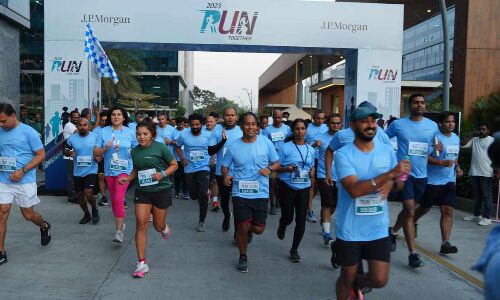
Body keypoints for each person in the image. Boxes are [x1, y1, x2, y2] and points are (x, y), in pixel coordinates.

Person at [333, 106, 408, 299]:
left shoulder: (387, 151)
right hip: (350, 230)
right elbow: (355, 190)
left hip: (378, 228)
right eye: (364, 121)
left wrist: (392, 183)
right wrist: (389, 175)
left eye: (373, 121)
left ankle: (357, 284)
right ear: (352, 125)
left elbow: (401, 181)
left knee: (379, 280)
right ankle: (348, 287)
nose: (370, 125)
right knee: (346, 276)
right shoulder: (343, 155)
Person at [386, 93, 440, 268]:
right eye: (416, 102)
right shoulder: (398, 124)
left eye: (422, 102)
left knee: (409, 211)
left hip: (422, 175)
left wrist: (438, 148)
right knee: (409, 210)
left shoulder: (433, 126)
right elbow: (383, 140)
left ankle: (393, 232)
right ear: (409, 105)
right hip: (404, 174)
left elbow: (435, 149)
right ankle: (413, 254)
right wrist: (393, 161)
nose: (419, 105)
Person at [221, 112, 280, 272]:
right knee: (242, 227)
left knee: (259, 229)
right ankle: (243, 256)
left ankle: (249, 232)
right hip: (240, 192)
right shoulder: (233, 146)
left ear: (257, 126)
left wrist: (269, 168)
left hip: (261, 192)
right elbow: (224, 166)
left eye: (253, 124)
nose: (250, 127)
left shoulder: (266, 143)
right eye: (247, 124)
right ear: (241, 126)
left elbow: (277, 162)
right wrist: (226, 176)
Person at [118, 121, 177, 278]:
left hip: (161, 190)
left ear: (152, 134)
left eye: (145, 134)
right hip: (142, 191)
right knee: (141, 223)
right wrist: (128, 179)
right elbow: (137, 168)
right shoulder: (135, 151)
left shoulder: (160, 147)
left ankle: (163, 227)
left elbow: (174, 165)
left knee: (157, 226)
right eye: (138, 134)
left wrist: (162, 174)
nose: (141, 137)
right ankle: (142, 263)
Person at [0, 103, 52, 265]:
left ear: (13, 116)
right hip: (4, 179)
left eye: (3, 121)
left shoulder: (28, 132)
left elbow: (41, 154)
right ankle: (1, 251)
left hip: (25, 180)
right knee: (2, 213)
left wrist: (22, 171)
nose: (1, 125)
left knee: (28, 215)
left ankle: (44, 226)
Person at [412, 111, 463, 254]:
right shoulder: (434, 138)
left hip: (449, 180)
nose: (451, 124)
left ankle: (445, 243)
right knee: (425, 208)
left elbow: (454, 157)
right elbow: (425, 156)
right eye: (448, 121)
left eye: (453, 121)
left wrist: (457, 167)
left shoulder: (456, 138)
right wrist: (440, 162)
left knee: (447, 210)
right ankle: (412, 220)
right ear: (441, 123)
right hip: (433, 181)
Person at [94, 107, 137, 243]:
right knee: (114, 200)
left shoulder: (130, 132)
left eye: (119, 115)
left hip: (125, 171)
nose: (116, 117)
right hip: (109, 171)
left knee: (118, 198)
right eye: (113, 114)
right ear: (110, 117)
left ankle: (119, 232)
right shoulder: (103, 132)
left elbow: (138, 149)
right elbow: (96, 152)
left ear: (124, 118)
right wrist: (105, 148)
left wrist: (133, 154)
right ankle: (120, 223)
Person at [276, 119, 315, 262]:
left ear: (306, 130)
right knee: (288, 217)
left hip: (304, 187)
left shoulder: (311, 149)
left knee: (301, 220)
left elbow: (311, 166)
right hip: (287, 186)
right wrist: (287, 168)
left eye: (303, 128)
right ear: (293, 131)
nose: (300, 131)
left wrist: (312, 172)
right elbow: (276, 167)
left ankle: (294, 249)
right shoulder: (285, 147)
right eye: (297, 128)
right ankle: (283, 223)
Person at [208, 107, 243, 233]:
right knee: (224, 200)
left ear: (236, 117)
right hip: (221, 172)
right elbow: (210, 151)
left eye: (232, 115)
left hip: (239, 172)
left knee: (238, 202)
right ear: (223, 117)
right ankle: (227, 215)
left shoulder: (241, 130)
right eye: (227, 115)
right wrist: (223, 141)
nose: (230, 118)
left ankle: (237, 232)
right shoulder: (217, 131)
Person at [175, 114, 212, 232]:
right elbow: (177, 146)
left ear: (202, 124)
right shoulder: (184, 135)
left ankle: (202, 221)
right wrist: (182, 158)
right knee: (193, 195)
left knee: (203, 195)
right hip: (189, 168)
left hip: (204, 167)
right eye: (193, 124)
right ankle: (201, 193)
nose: (195, 126)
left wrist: (212, 157)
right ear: (189, 124)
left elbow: (213, 148)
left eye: (197, 124)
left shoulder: (208, 135)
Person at [64, 118, 100, 224]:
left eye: (85, 125)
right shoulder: (72, 138)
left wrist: (99, 157)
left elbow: (100, 151)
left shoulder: (95, 137)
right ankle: (86, 214)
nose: (82, 127)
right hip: (78, 171)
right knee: (79, 195)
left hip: (91, 170)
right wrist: (69, 153)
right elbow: (65, 149)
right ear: (77, 127)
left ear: (89, 126)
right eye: (80, 125)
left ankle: (94, 209)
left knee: (88, 193)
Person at [461, 123, 495, 226]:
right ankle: (477, 215)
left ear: (488, 130)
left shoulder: (492, 140)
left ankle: (487, 218)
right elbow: (462, 144)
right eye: (479, 129)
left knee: (486, 196)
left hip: (486, 173)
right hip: (475, 172)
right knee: (478, 195)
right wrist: (472, 134)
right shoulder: (474, 140)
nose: (481, 131)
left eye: (483, 129)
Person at [317, 113, 342, 245]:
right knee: (327, 203)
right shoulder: (321, 138)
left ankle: (324, 220)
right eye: (333, 123)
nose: (336, 125)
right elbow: (312, 155)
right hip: (324, 176)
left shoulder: (344, 138)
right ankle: (327, 233)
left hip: (341, 177)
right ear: (328, 124)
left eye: (338, 123)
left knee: (334, 205)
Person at [262, 109, 291, 215]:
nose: (277, 119)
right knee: (272, 183)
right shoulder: (267, 130)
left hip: (284, 159)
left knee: (281, 183)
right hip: (272, 160)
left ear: (282, 117)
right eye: (275, 117)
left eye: (279, 117)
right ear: (272, 117)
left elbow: (291, 140)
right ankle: (272, 204)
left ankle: (279, 199)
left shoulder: (287, 129)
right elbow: (264, 144)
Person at [305, 109, 328, 223]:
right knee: (311, 184)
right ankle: (309, 210)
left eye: (322, 118)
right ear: (313, 117)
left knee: (318, 187)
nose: (320, 120)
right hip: (311, 159)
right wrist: (314, 145)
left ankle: (306, 202)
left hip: (324, 159)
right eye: (318, 118)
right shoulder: (307, 128)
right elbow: (303, 146)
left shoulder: (326, 128)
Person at [204, 113, 220, 211]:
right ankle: (207, 193)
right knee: (206, 180)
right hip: (204, 161)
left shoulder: (220, 131)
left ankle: (215, 202)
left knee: (214, 181)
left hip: (217, 161)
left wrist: (214, 156)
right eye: (207, 122)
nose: (209, 123)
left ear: (215, 122)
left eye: (211, 121)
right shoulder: (201, 131)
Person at [63, 110, 80, 204]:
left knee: (76, 176)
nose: (76, 119)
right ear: (70, 117)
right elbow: (82, 131)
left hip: (76, 155)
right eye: (74, 117)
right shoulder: (69, 125)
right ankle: (71, 197)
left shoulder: (75, 125)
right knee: (71, 177)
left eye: (78, 117)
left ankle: (76, 195)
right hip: (69, 155)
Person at [94, 111, 109, 206]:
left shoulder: (112, 130)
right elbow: (94, 145)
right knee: (101, 177)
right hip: (101, 158)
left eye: (106, 120)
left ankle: (121, 198)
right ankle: (103, 196)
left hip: (112, 159)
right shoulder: (96, 130)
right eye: (102, 120)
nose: (104, 122)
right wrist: (97, 156)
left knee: (115, 178)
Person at [172, 116, 189, 199]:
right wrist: (174, 142)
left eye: (182, 124)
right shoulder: (173, 131)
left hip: (185, 157)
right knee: (177, 176)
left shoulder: (188, 131)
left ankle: (185, 192)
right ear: (176, 124)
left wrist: (176, 142)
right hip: (175, 157)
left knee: (185, 175)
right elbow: (170, 141)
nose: (180, 126)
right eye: (179, 124)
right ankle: (177, 192)